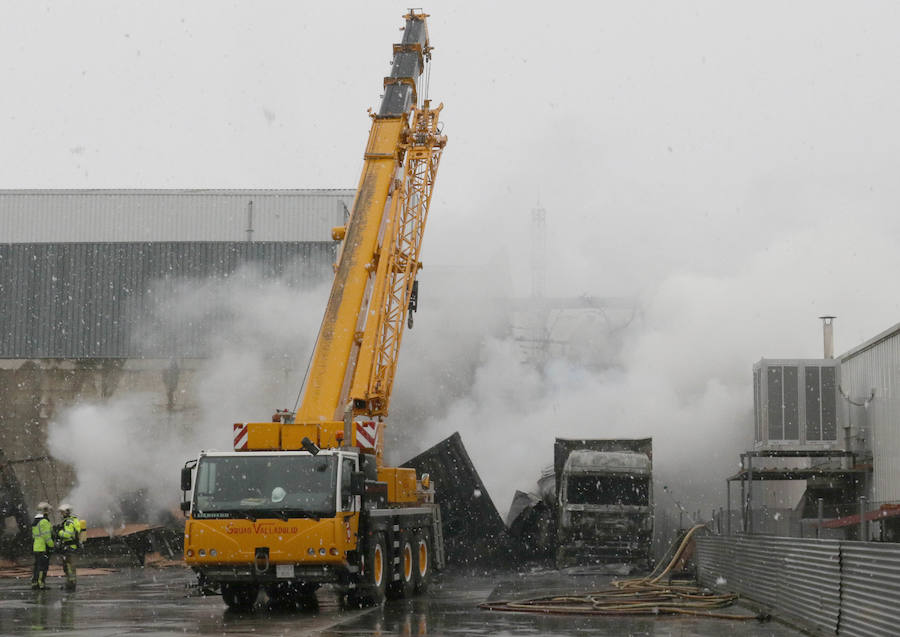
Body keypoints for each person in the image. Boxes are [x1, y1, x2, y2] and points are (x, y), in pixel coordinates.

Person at [56, 504, 81, 590]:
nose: (61, 514)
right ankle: (70, 583)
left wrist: (59, 532)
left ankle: (71, 584)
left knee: (68, 567)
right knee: (70, 567)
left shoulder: (68, 522)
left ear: (66, 512)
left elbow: (68, 534)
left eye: (62, 512)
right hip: (72, 547)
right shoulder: (74, 520)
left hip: (69, 548)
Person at [31, 502, 54, 590]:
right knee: (43, 567)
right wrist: (52, 545)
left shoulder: (35, 521)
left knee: (37, 566)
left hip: (36, 547)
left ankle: (35, 582)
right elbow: (47, 536)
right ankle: (41, 583)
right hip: (43, 547)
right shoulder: (44, 521)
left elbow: (34, 536)